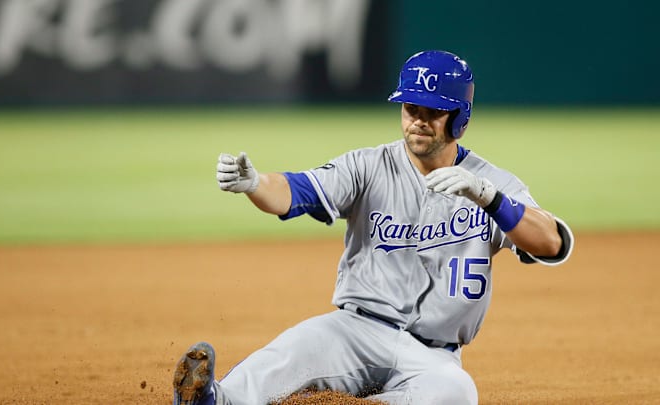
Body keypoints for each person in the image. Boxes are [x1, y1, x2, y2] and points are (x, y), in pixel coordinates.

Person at [173, 50, 574, 405]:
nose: (417, 120)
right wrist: (256, 184)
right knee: (291, 352)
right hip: (354, 331)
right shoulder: (367, 166)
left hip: (433, 355)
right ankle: (216, 401)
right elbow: (296, 191)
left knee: (456, 394)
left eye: (432, 111)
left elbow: (551, 242)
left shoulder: (492, 183)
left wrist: (491, 199)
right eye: (410, 108)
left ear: (460, 118)